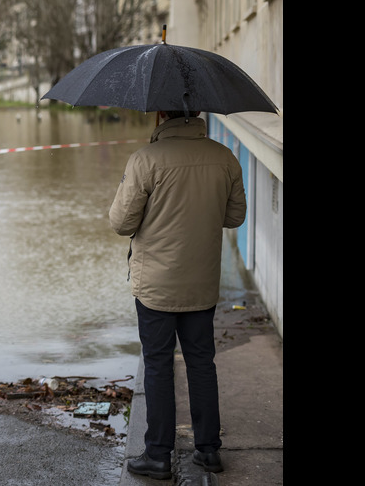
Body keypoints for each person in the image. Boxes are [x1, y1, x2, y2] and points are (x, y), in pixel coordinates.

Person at [109, 109, 246, 480]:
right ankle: (209, 450)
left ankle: (158, 455)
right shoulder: (224, 157)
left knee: (157, 364)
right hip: (202, 282)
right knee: (202, 363)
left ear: (160, 115)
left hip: (155, 285)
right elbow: (235, 217)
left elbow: (122, 223)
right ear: (196, 113)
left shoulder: (144, 160)